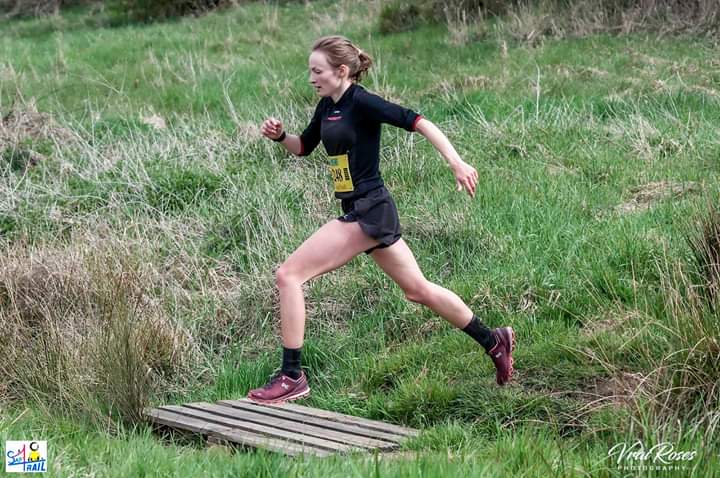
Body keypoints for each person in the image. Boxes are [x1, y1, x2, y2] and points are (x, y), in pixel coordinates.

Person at [247, 35, 515, 404]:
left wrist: (456, 162)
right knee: (418, 290)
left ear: (342, 71)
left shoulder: (362, 102)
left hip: (369, 210)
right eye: (310, 71)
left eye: (318, 71)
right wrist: (280, 137)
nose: (311, 78)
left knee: (288, 275)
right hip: (362, 209)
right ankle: (493, 339)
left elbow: (418, 121)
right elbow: (304, 147)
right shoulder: (327, 106)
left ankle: (292, 376)